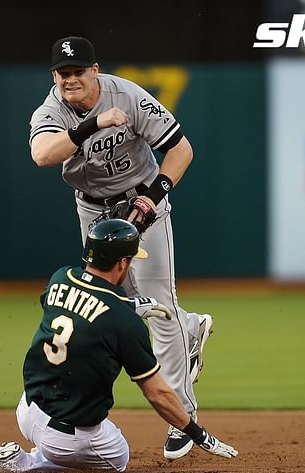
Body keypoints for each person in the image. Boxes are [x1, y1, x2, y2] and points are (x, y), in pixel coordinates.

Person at [27, 35, 213, 460]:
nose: (70, 78)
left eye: (78, 71)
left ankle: (181, 415)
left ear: (95, 70)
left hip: (142, 200)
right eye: (63, 72)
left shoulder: (127, 95)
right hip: (93, 213)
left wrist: (153, 197)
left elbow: (180, 149)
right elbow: (41, 155)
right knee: (116, 301)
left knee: (160, 307)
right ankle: (190, 328)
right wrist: (91, 124)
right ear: (55, 75)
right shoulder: (51, 110)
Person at [0, 219, 237, 472]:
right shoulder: (125, 324)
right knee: (118, 458)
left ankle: (36, 453)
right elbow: (158, 393)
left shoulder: (60, 278)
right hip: (67, 439)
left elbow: (80, 308)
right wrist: (197, 433)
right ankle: (26, 464)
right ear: (122, 264)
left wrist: (125, 304)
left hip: (28, 411)